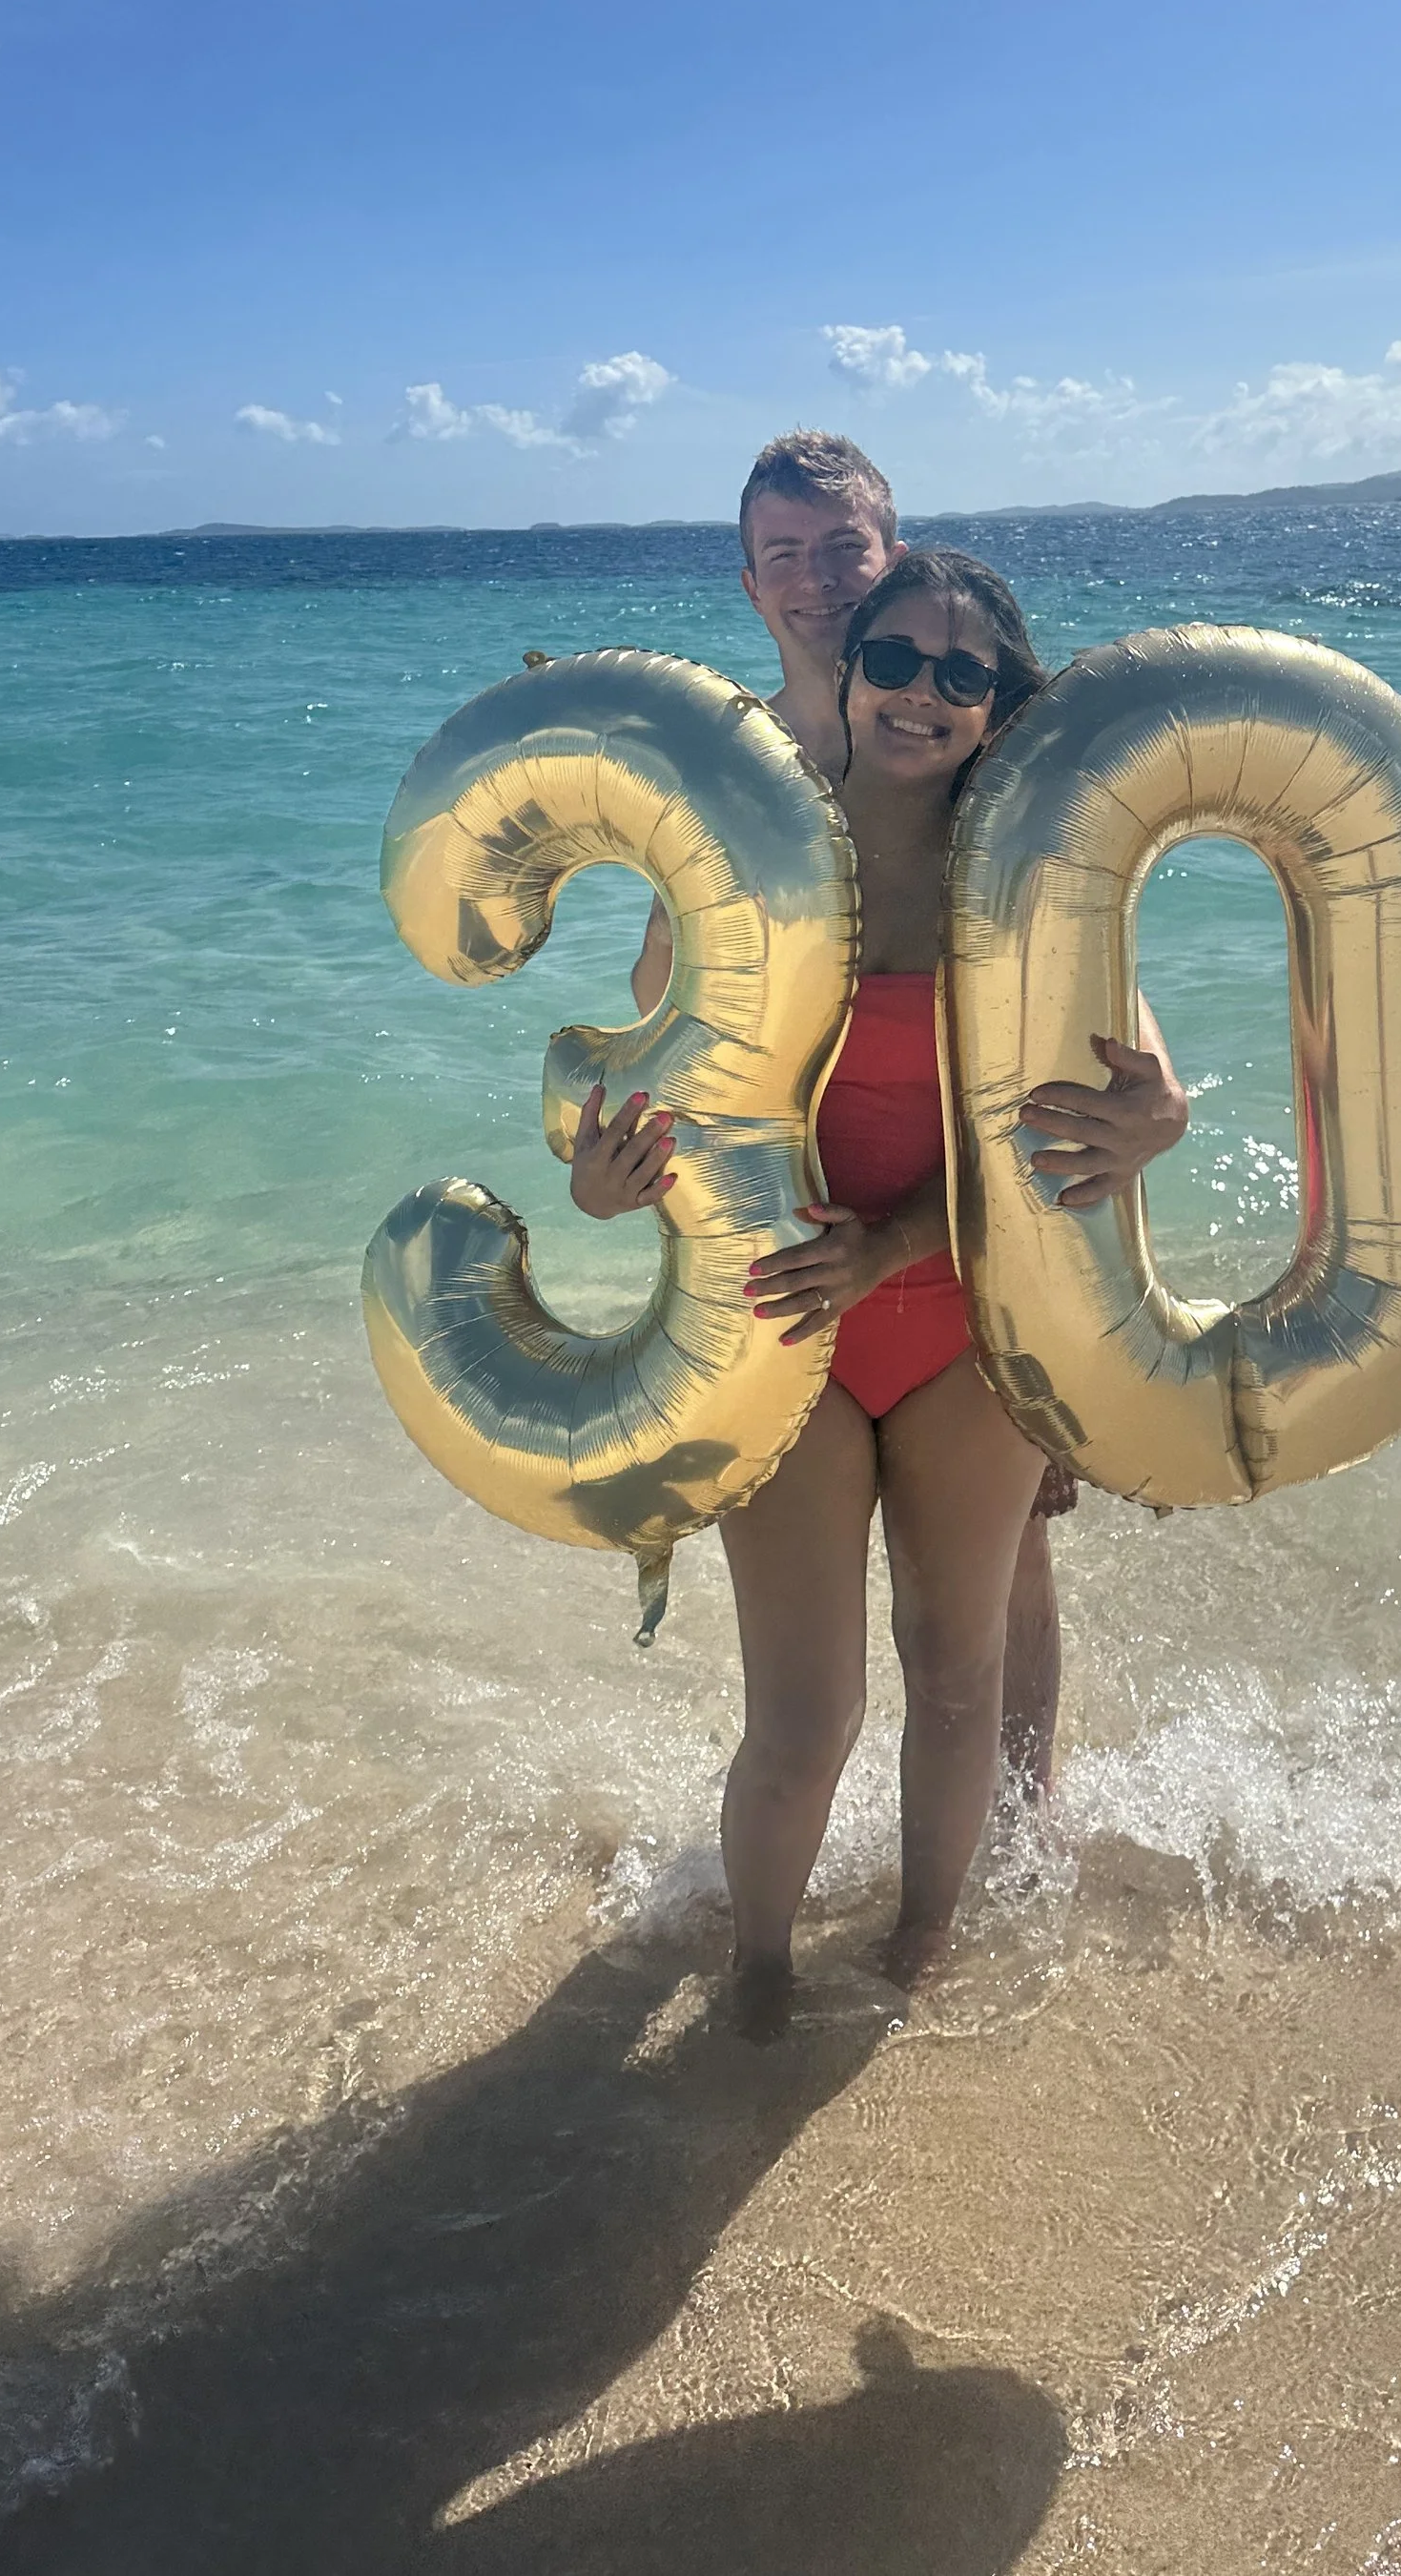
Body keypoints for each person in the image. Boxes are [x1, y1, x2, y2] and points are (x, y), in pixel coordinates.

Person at [575, 548, 1148, 2032]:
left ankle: (918, 1956)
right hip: (788, 1329)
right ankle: (757, 1983)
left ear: (999, 702)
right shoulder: (756, 849)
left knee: (957, 1680)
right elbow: (651, 1089)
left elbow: (1111, 1105)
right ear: (850, 662)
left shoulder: (1028, 870)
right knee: (806, 1713)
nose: (922, 694)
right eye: (897, 658)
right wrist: (604, 1183)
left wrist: (1162, 1122)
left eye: (965, 675)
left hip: (962, 1320)